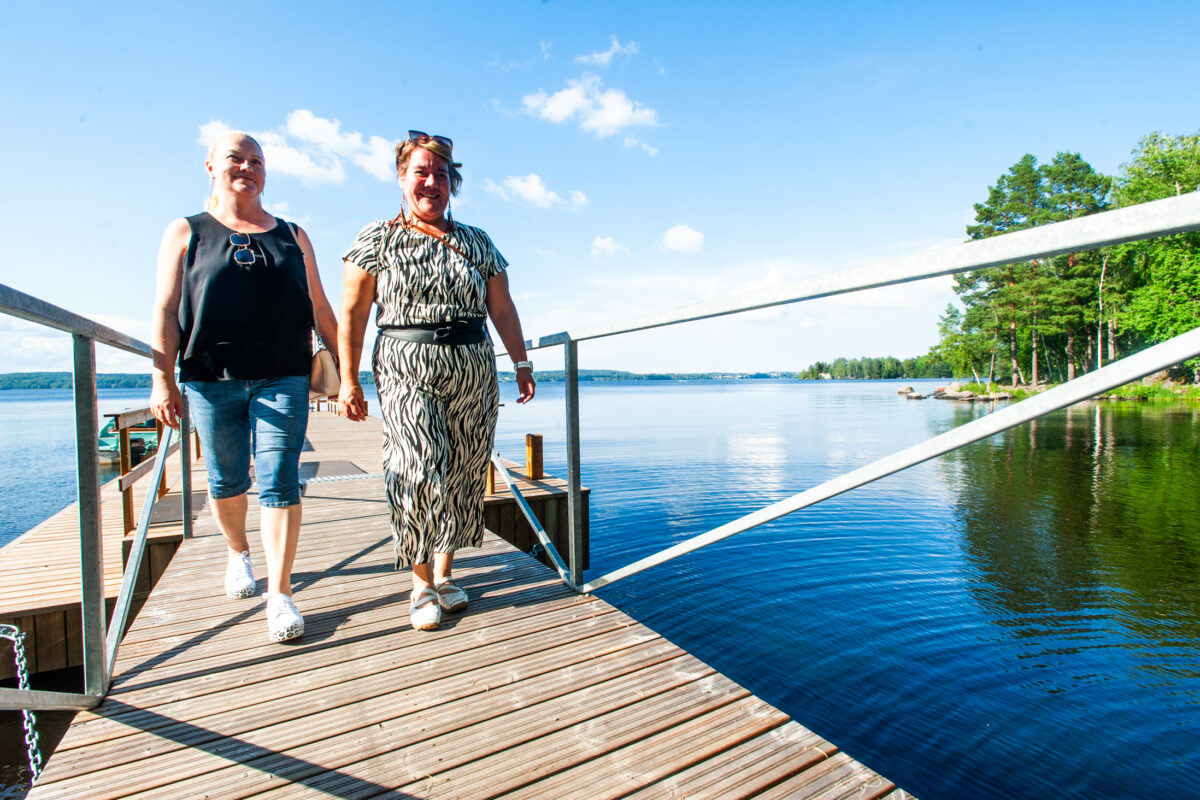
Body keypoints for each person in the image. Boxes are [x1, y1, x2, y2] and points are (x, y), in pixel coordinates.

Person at [338, 130, 535, 631]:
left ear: (454, 184)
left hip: (472, 362)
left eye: (441, 175)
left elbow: (502, 308)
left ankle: (446, 573)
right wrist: (349, 380)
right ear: (402, 177)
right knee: (416, 468)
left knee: (464, 469)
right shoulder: (377, 239)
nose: (431, 183)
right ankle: (420, 582)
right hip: (406, 361)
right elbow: (353, 313)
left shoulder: (476, 241)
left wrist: (521, 362)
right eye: (420, 172)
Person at [149, 131, 339, 642]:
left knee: (279, 478)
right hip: (210, 377)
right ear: (211, 166)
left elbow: (320, 308)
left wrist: (347, 373)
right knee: (226, 479)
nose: (247, 167)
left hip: (284, 374)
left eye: (257, 160)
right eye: (235, 158)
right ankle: (238, 552)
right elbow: (167, 310)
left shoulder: (293, 236)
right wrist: (161, 378)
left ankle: (280, 595)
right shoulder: (186, 231)